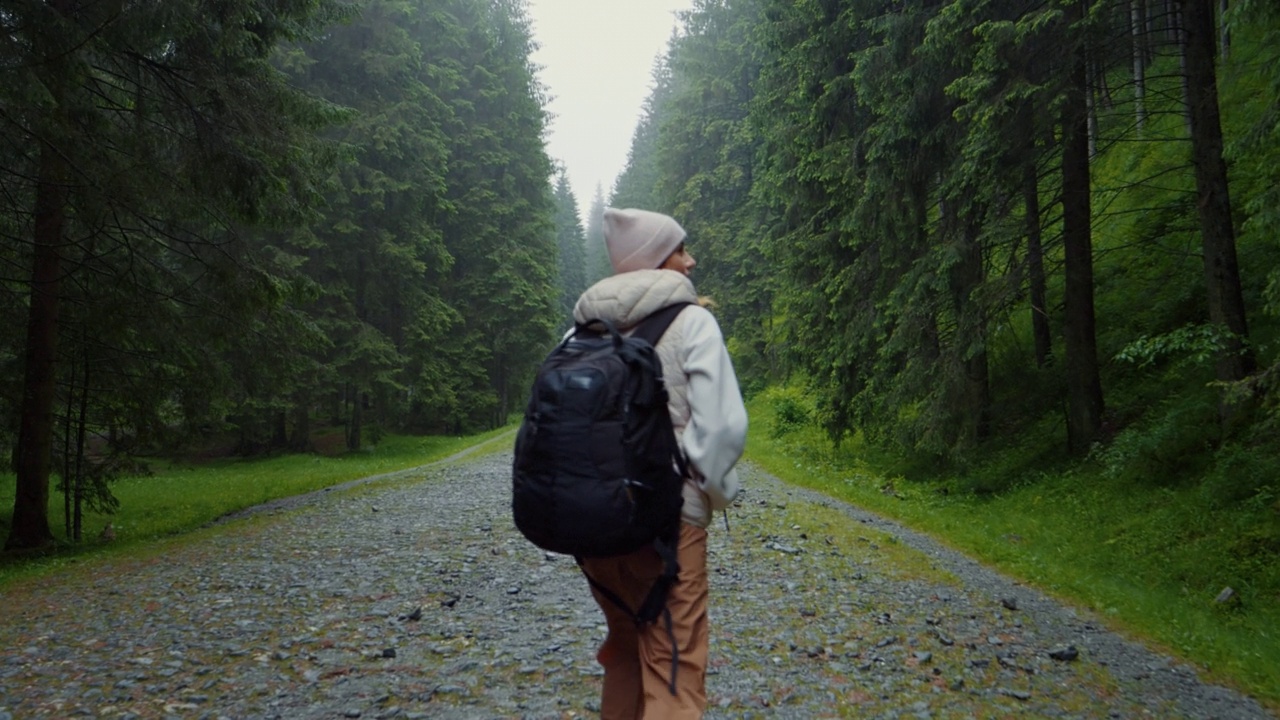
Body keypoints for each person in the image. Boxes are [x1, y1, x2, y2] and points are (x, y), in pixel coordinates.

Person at [574, 207, 748, 719]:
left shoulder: (580, 331)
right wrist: (709, 497)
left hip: (595, 526)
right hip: (667, 525)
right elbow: (722, 428)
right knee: (673, 663)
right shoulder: (693, 321)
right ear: (654, 259)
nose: (691, 261)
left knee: (626, 650)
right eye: (680, 250)